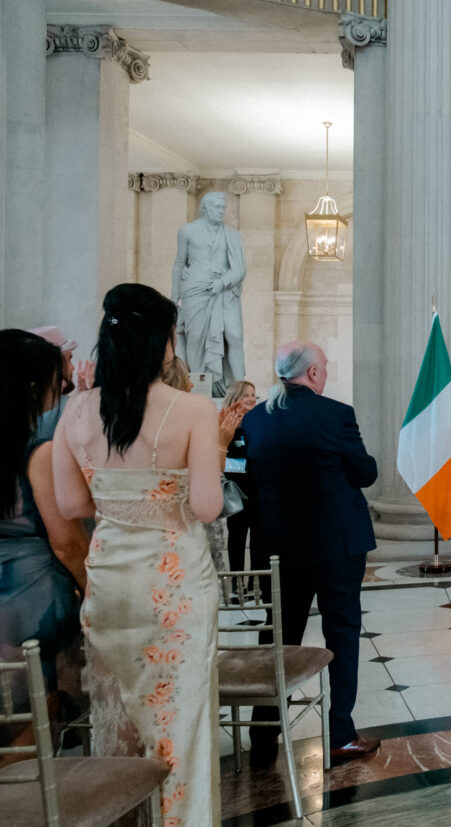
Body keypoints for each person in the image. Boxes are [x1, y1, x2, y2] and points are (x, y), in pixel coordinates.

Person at [51, 283, 235, 826]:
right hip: (174, 590)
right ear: (164, 343)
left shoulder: (77, 411)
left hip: (109, 584)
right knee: (181, 724)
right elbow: (204, 506)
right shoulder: (194, 410)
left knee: (120, 720)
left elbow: (71, 502)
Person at [241, 342, 380, 766]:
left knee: (279, 635)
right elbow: (365, 472)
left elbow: (249, 480)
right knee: (342, 633)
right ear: (315, 372)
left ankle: (263, 735)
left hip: (279, 547)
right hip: (336, 546)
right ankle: (340, 733)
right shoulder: (336, 414)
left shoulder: (254, 418)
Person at [0, 331, 87, 710]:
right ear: (34, 387)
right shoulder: (39, 448)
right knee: (33, 717)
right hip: (30, 591)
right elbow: (65, 541)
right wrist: (93, 586)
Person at [173, 191, 246, 397]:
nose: (221, 211)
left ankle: (240, 388)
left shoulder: (231, 234)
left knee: (235, 335)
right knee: (195, 339)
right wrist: (173, 297)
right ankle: (200, 389)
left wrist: (222, 282)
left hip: (225, 292)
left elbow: (240, 268)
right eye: (217, 207)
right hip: (195, 291)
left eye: (223, 208)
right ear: (205, 208)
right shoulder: (187, 230)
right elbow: (179, 262)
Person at [221, 381, 259, 580]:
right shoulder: (226, 420)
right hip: (235, 487)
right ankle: (236, 583)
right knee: (237, 537)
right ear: (235, 397)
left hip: (257, 485)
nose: (252, 399)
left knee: (258, 539)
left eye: (253, 395)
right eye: (246, 395)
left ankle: (256, 582)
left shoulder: (259, 420)